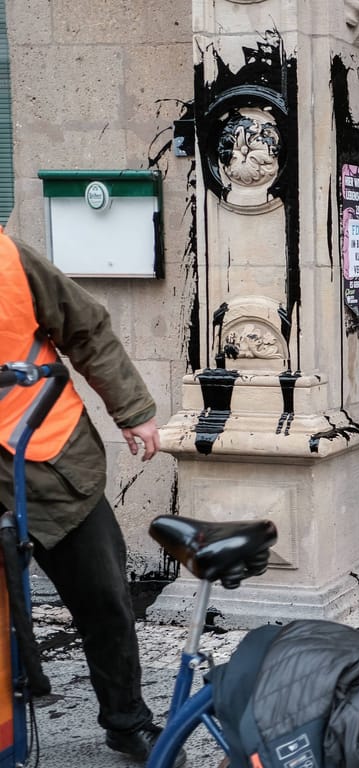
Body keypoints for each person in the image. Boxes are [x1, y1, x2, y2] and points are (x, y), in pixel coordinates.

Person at [0, 231, 182, 764]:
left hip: (49, 460)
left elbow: (85, 326)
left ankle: (127, 722)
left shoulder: (9, 258)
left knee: (103, 596)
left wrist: (133, 410)